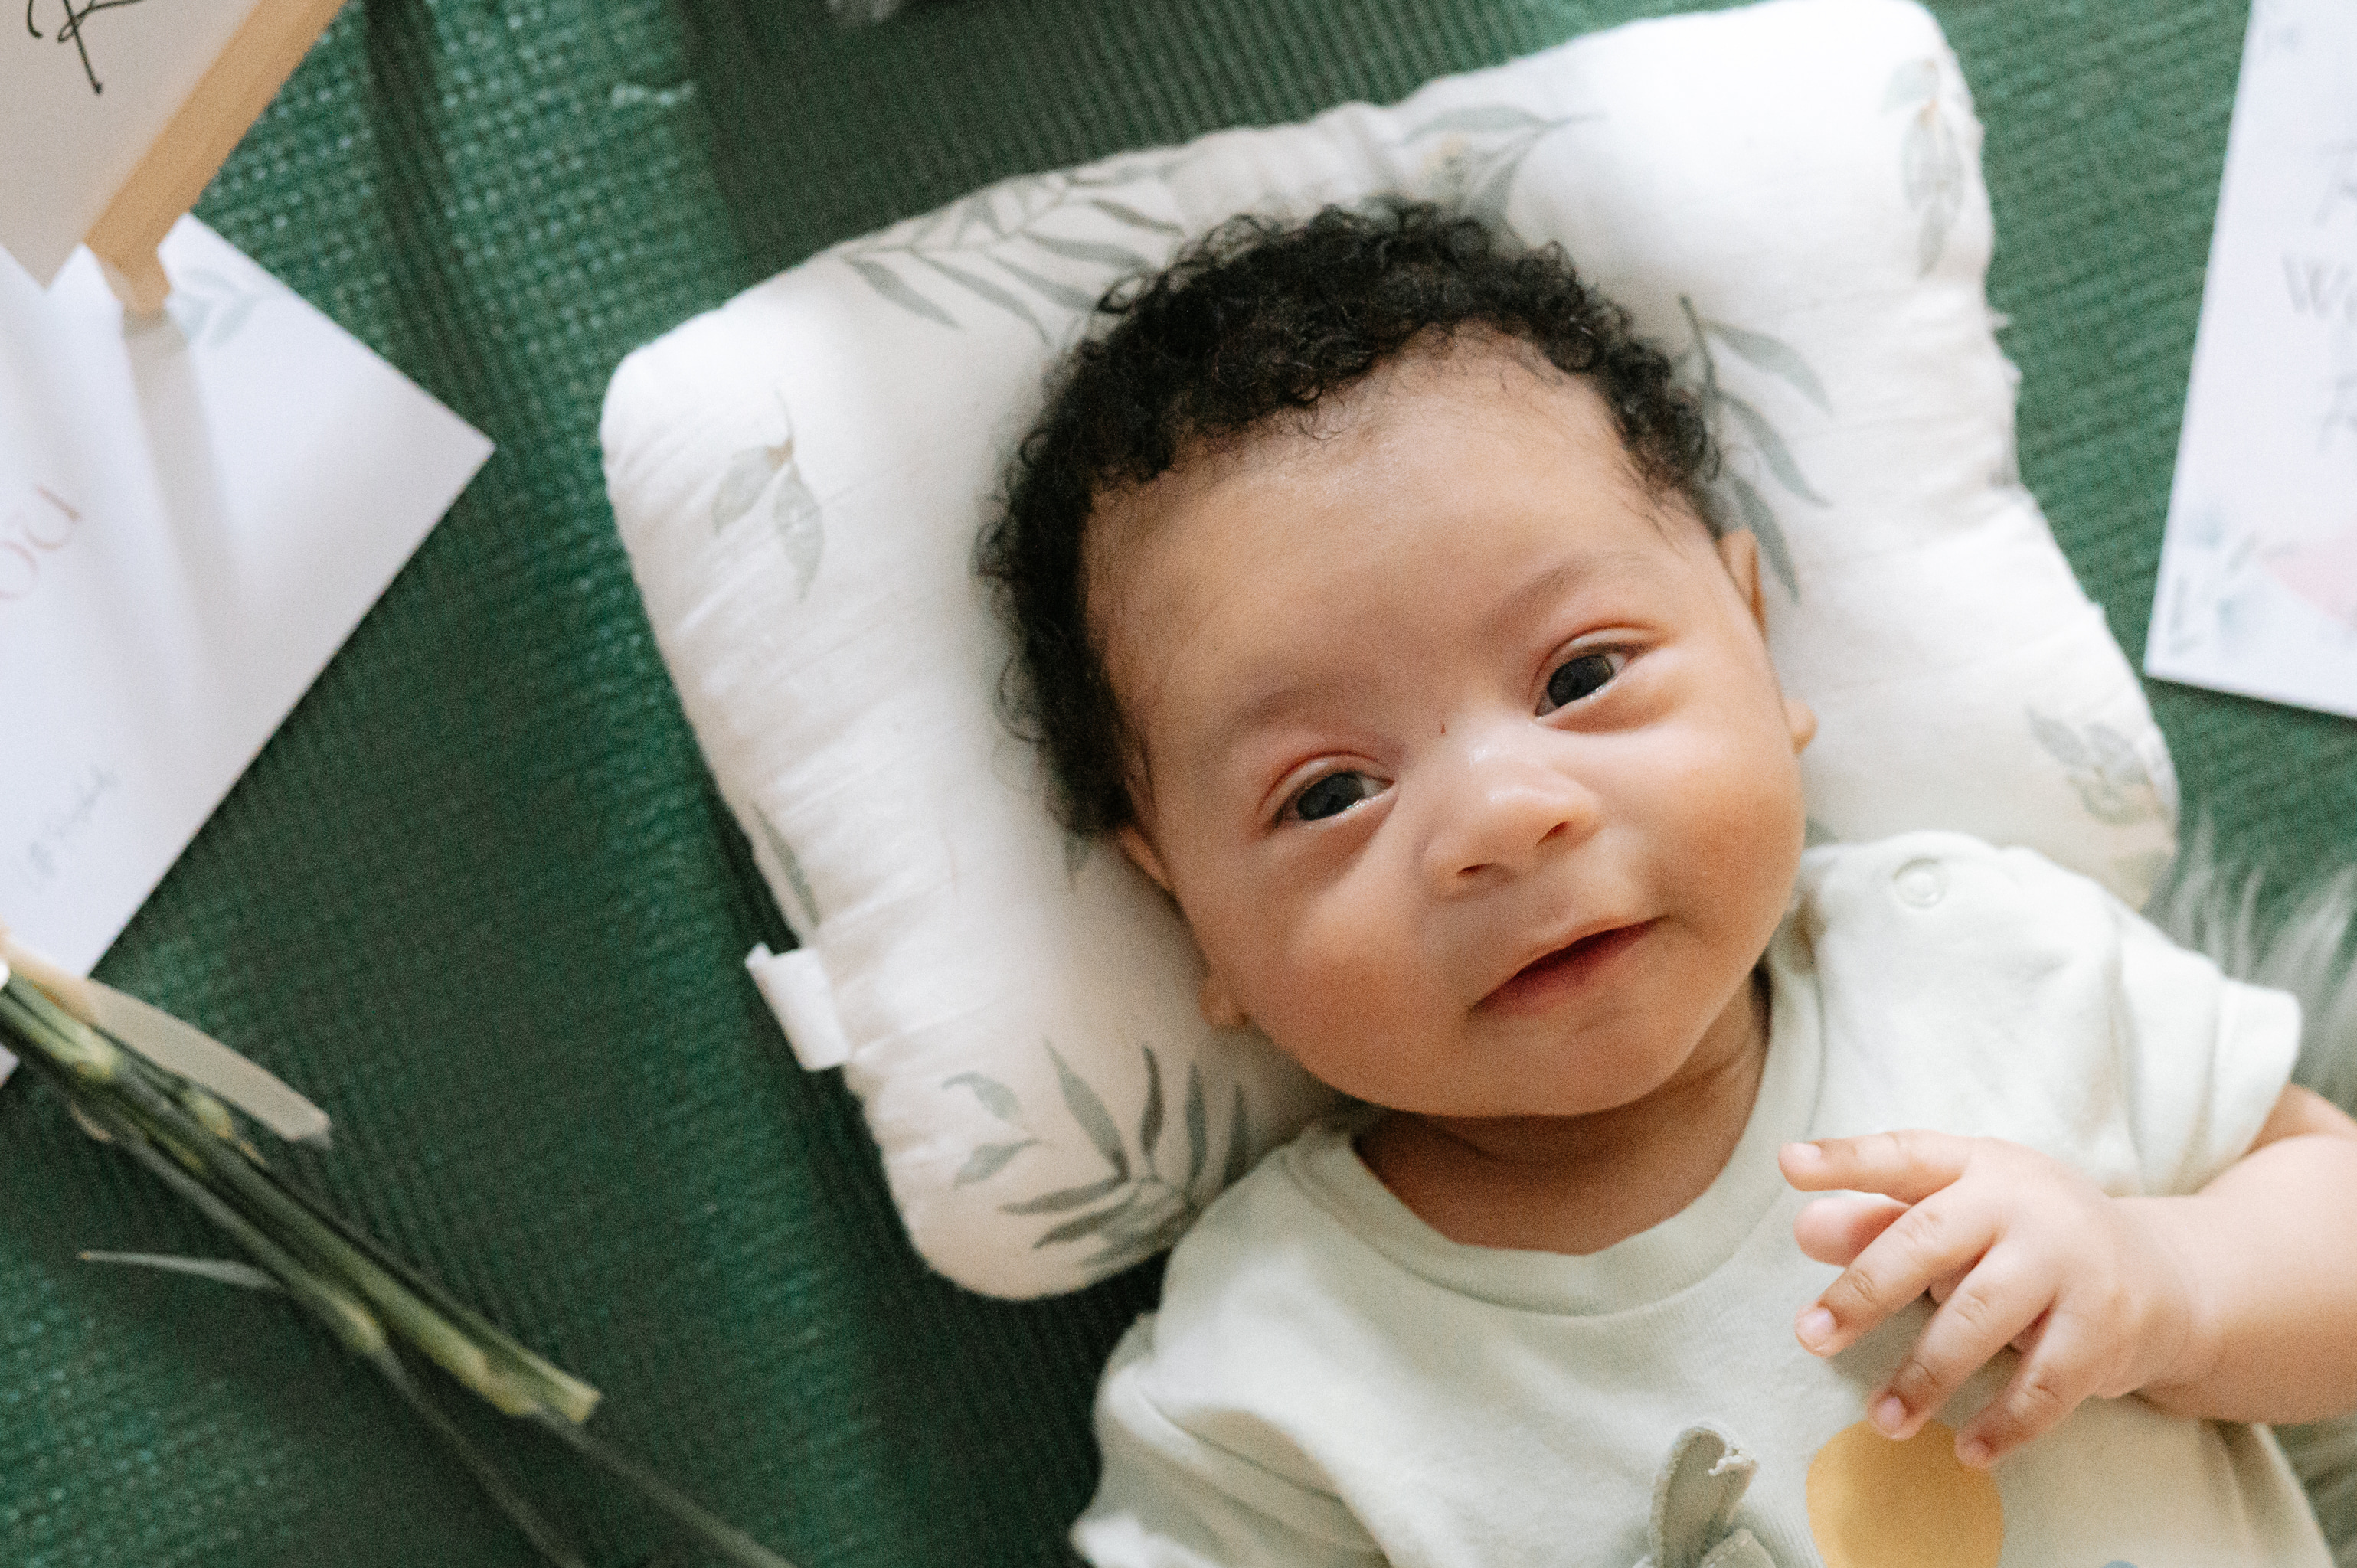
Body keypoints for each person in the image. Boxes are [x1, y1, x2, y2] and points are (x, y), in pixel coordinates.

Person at [976, 204, 2357, 1568]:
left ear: (1754, 643)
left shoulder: (1977, 958)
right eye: (1328, 791)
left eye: (1580, 677)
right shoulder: (1267, 1381)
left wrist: (2169, 1284)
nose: (1505, 821)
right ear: (1182, 910)